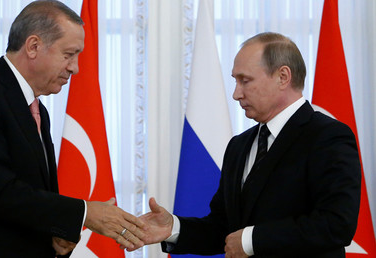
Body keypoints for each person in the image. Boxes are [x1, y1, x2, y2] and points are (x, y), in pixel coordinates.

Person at [0, 1, 145, 257]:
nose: (75, 67)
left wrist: (54, 234)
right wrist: (85, 212)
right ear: (33, 46)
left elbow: (31, 198)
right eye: (68, 54)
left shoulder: (39, 111)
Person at [135, 32, 361, 257]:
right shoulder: (239, 146)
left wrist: (253, 239)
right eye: (235, 80)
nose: (236, 94)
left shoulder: (328, 137)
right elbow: (224, 229)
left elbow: (336, 224)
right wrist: (172, 228)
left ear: (283, 76)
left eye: (245, 80)